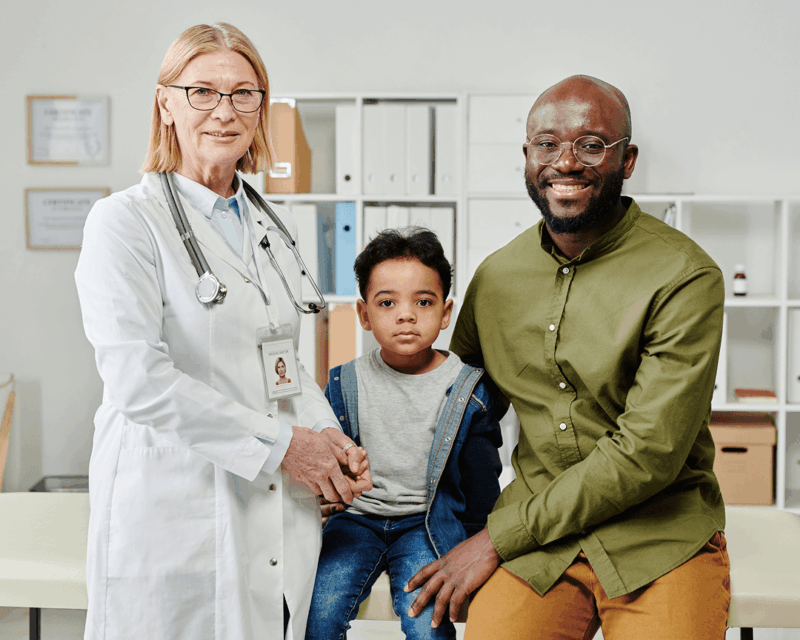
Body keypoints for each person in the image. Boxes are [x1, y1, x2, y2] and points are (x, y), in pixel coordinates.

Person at [405, 75, 730, 639]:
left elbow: (646, 455)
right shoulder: (497, 277)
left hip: (658, 535)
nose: (566, 162)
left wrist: (494, 539)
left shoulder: (685, 275)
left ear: (627, 160)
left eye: (591, 144)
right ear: (528, 157)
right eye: (547, 144)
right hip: (541, 550)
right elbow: (455, 411)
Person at [74, 23, 370, 640]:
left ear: (262, 107)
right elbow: (138, 381)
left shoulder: (269, 225)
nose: (225, 111)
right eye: (203, 91)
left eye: (244, 93)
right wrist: (286, 447)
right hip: (173, 501)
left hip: (268, 502)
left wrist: (329, 441)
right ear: (166, 102)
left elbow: (281, 362)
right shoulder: (125, 223)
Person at [305, 228, 503, 640]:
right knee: (318, 614)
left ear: (446, 313)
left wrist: (479, 545)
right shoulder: (345, 382)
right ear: (363, 314)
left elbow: (482, 479)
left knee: (427, 623)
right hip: (356, 521)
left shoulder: (468, 389)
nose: (406, 315)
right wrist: (322, 502)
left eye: (424, 302)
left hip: (425, 523)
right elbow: (328, 459)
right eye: (388, 302)